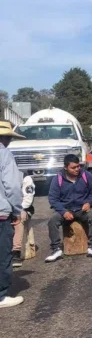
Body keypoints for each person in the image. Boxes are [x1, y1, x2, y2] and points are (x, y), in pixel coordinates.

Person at [45, 154, 92, 262]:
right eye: (73, 167)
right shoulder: (57, 179)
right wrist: (63, 211)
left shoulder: (86, 175)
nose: (77, 169)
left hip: (82, 209)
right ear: (65, 167)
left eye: (78, 166)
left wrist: (89, 202)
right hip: (66, 210)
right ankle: (56, 249)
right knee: (52, 221)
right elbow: (53, 199)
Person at [0, 121, 24, 308]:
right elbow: (13, 186)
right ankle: (1, 295)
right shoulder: (4, 154)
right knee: (2, 254)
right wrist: (16, 210)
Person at [11, 174, 35, 268]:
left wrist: (15, 211)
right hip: (4, 209)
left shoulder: (25, 178)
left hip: (22, 209)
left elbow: (28, 199)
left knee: (20, 215)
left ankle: (16, 251)